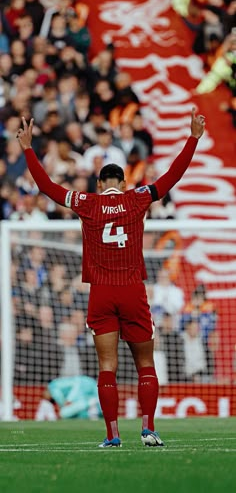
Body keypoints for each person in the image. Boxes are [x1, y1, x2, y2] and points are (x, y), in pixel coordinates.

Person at [16, 108, 205, 448]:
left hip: (101, 293)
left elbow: (46, 187)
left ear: (100, 184)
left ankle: (112, 435)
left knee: (107, 366)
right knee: (145, 363)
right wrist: (192, 138)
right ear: (124, 183)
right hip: (133, 290)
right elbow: (173, 176)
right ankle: (148, 429)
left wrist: (29, 149)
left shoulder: (86, 202)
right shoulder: (138, 199)